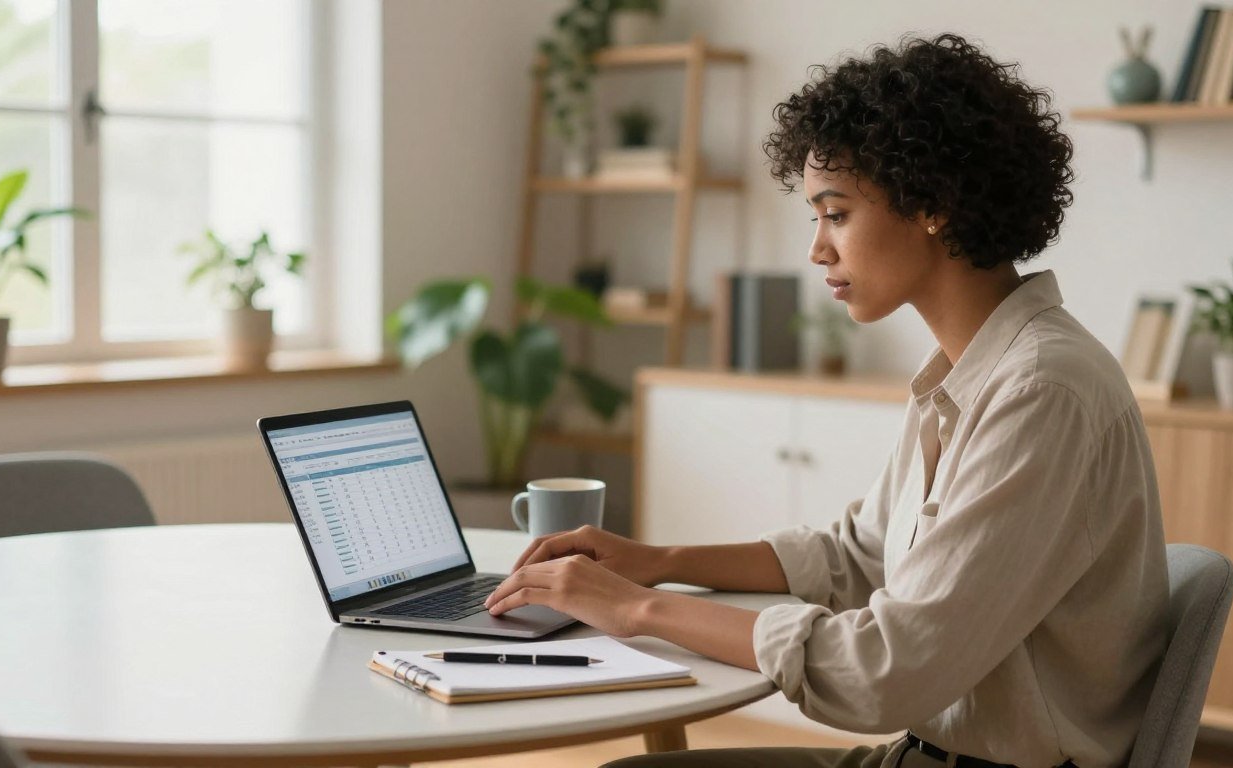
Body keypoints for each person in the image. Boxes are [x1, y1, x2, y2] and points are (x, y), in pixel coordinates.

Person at [483, 33, 1170, 768]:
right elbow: (856, 555)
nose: (817, 249)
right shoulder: (967, 373)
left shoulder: (1040, 391)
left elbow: (884, 671)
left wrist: (636, 609)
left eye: (835, 214)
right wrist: (655, 560)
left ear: (932, 204)